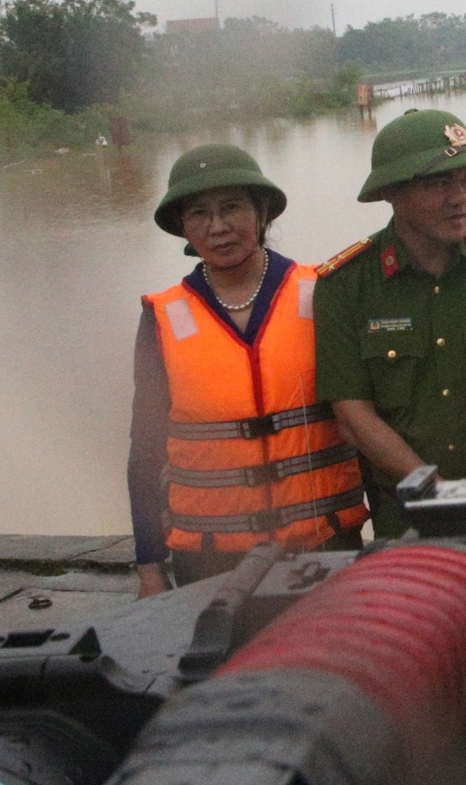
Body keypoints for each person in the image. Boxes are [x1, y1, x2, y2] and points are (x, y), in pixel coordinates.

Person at [314, 108, 466, 567]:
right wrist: (444, 496)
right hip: (413, 529)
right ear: (391, 192)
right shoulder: (344, 287)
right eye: (438, 184)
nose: (460, 198)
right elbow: (353, 416)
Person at [128, 144, 368, 598]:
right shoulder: (160, 319)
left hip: (324, 547)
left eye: (232, 208)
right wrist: (149, 567)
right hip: (210, 561)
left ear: (262, 213)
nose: (217, 227)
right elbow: (145, 449)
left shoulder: (322, 293)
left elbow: (364, 420)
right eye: (199, 213)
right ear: (182, 225)